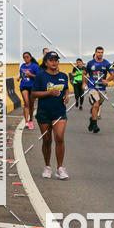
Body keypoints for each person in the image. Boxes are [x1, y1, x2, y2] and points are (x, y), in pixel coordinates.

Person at [31, 51, 70, 179]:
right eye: (51, 60)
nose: (54, 62)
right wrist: (49, 93)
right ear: (46, 62)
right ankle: (47, 166)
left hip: (59, 112)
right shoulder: (40, 77)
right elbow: (34, 94)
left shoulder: (64, 76)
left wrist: (66, 96)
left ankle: (60, 168)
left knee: (59, 137)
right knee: (47, 140)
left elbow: (66, 89)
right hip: (44, 113)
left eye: (56, 60)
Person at [85, 46, 111, 133]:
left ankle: (92, 120)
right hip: (93, 87)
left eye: (101, 52)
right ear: (95, 53)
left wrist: (107, 81)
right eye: (98, 52)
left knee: (97, 105)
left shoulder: (106, 63)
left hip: (102, 89)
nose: (100, 54)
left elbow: (113, 74)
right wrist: (84, 83)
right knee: (96, 104)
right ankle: (95, 125)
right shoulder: (90, 63)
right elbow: (84, 73)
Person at [19, 51, 40, 129]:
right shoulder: (22, 66)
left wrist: (30, 74)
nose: (26, 59)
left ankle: (31, 119)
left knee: (31, 105)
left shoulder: (35, 66)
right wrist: (19, 77)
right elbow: (22, 74)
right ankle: (26, 121)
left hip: (32, 86)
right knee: (26, 103)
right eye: (24, 57)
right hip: (24, 86)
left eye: (27, 57)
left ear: (30, 57)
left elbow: (38, 77)